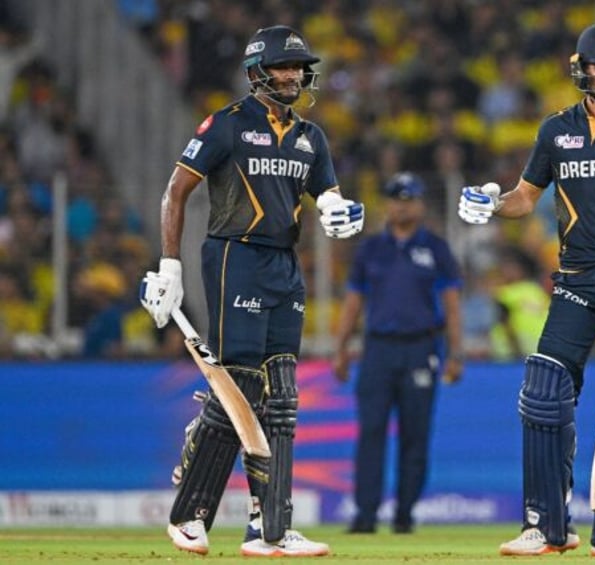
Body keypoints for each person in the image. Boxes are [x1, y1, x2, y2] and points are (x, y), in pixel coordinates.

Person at [139, 25, 364, 557]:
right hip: (233, 257)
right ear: (258, 72)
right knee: (238, 385)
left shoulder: (311, 137)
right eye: (283, 67)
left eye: (298, 68)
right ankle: (190, 515)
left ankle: (272, 530)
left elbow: (330, 197)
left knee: (282, 397)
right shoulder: (228, 125)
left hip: (284, 265)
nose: (292, 76)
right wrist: (169, 267)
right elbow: (175, 192)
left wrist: (340, 213)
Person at [458, 23, 595, 557]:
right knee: (543, 395)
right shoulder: (556, 130)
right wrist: (491, 205)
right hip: (576, 278)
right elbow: (524, 199)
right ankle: (546, 525)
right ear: (581, 69)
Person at [332, 172, 463, 534]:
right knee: (370, 432)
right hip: (378, 348)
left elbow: (451, 304)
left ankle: (405, 513)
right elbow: (353, 303)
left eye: (408, 198)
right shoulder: (370, 249)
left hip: (421, 347)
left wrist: (455, 353)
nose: (401, 205)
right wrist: (341, 348)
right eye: (395, 198)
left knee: (415, 434)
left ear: (420, 204)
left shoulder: (436, 248)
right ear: (387, 204)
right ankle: (365, 515)